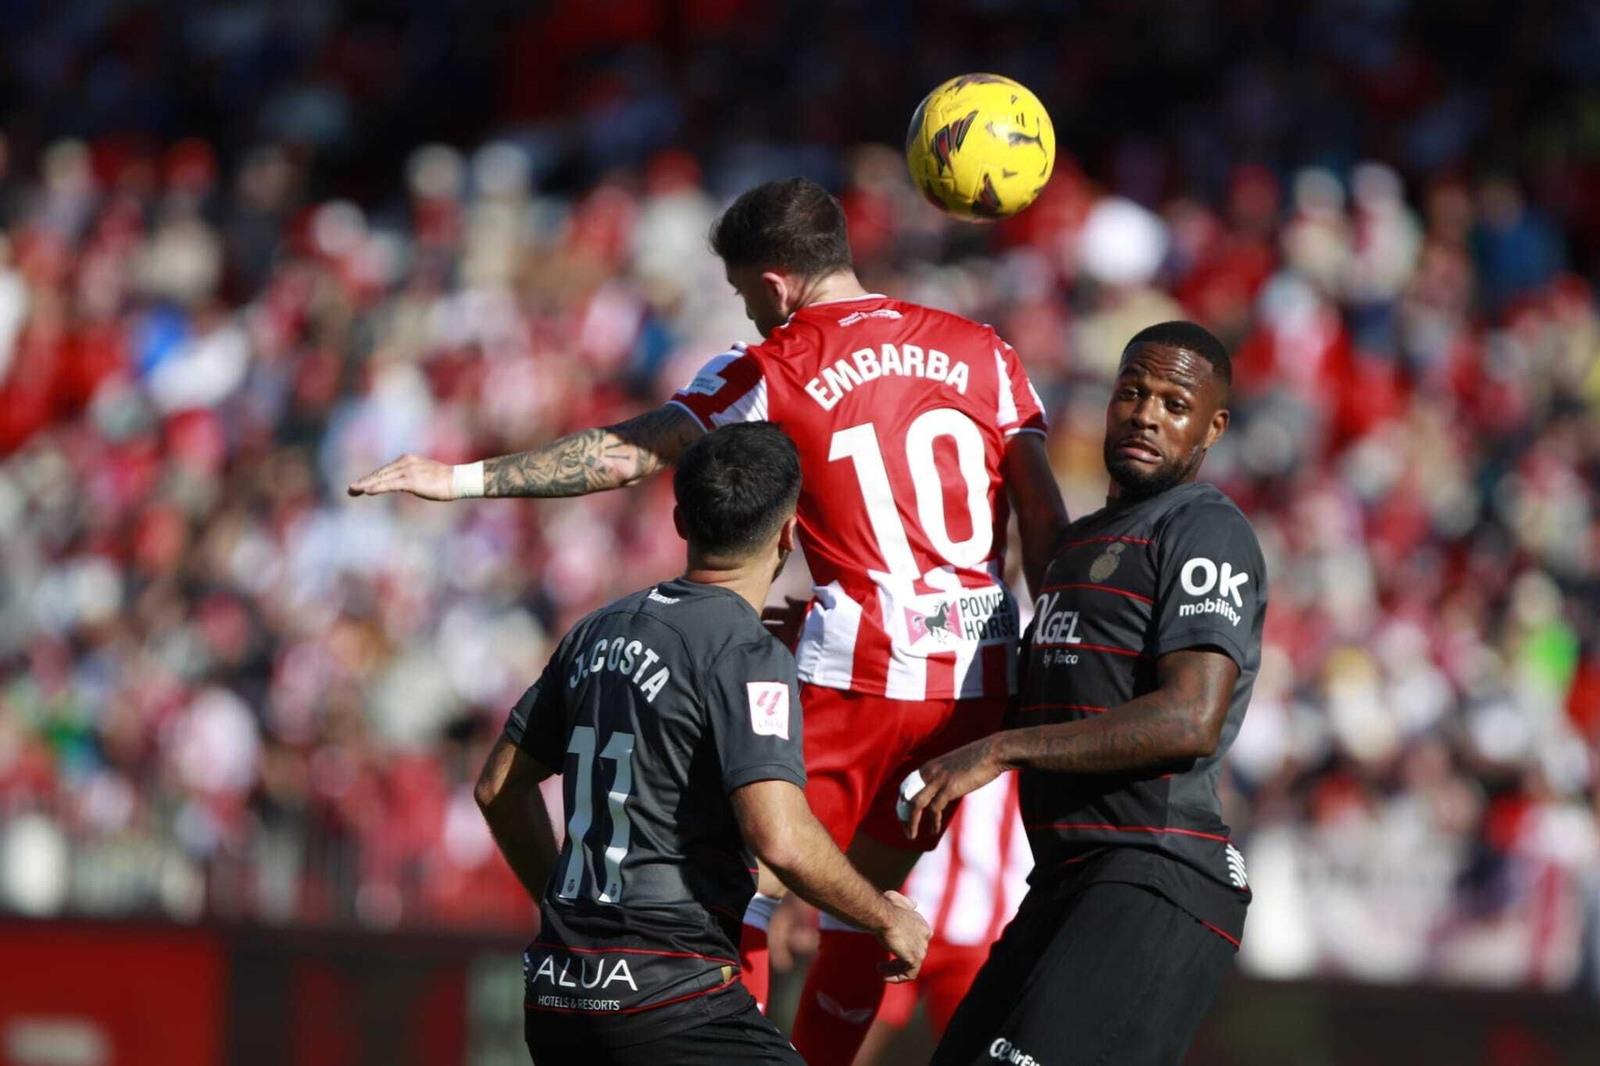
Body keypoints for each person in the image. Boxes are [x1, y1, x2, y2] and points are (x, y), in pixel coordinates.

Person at [352, 177, 1066, 1062]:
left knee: (749, 885)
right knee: (867, 902)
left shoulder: (771, 366)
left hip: (860, 673)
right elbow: (1044, 520)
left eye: (742, 293)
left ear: (773, 283)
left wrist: (459, 479)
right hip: (978, 681)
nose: (749, 313)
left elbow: (627, 454)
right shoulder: (986, 351)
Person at [473, 423, 929, 1065]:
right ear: (790, 532)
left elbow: (497, 787)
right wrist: (884, 916)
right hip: (669, 1000)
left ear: (681, 521)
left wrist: (569, 919)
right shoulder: (746, 651)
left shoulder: (596, 628)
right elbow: (779, 838)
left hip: (558, 995)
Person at [901, 321, 1268, 1065]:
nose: (1145, 415)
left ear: (1213, 428)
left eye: (1174, 404)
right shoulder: (1083, 547)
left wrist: (1001, 750)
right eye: (1132, 393)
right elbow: (1041, 542)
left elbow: (1190, 718)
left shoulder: (1204, 529)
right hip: (1066, 881)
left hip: (1155, 877)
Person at [851, 773, 1030, 1065]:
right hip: (896, 920)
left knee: (976, 1055)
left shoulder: (1029, 756)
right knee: (845, 1045)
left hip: (982, 938)